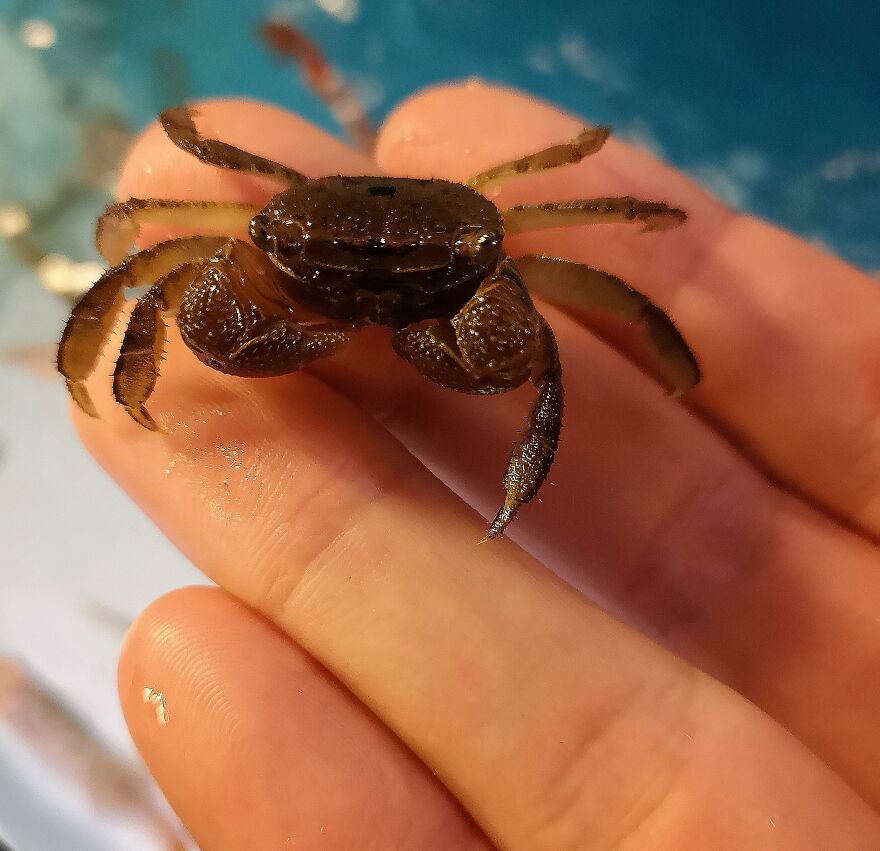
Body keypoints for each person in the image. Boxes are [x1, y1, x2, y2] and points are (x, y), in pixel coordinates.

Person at [74, 83, 880, 849]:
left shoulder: (496, 257)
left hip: (459, 270)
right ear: (272, 239)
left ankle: (528, 473)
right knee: (156, 286)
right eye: (327, 267)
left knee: (548, 352)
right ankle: (115, 383)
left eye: (402, 278)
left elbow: (618, 301)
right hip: (343, 256)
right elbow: (134, 257)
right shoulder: (247, 244)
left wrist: (633, 260)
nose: (370, 297)